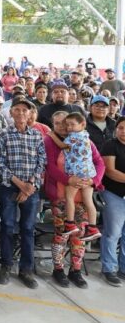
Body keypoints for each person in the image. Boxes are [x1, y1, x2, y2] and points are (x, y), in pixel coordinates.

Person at [44, 111, 105, 288]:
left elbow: (99, 162)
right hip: (62, 195)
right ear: (53, 125)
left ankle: (76, 270)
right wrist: (68, 180)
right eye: (58, 123)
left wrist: (94, 180)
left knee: (80, 235)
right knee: (62, 234)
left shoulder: (84, 139)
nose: (64, 127)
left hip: (82, 196)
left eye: (66, 123)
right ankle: (58, 269)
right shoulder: (50, 141)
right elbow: (50, 167)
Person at [0, 100, 47, 288]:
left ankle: (26, 269)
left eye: (25, 110)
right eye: (17, 109)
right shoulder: (3, 134)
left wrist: (30, 185)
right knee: (7, 226)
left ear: (30, 113)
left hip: (31, 188)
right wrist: (20, 184)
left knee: (28, 228)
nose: (21, 113)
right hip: (10, 186)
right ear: (11, 112)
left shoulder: (37, 135)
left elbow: (42, 162)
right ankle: (6, 265)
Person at [47, 113, 101, 241]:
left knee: (69, 197)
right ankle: (93, 228)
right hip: (88, 174)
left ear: (82, 124)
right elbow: (50, 166)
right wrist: (91, 180)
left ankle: (70, 224)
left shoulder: (73, 137)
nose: (68, 127)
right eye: (67, 124)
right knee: (89, 201)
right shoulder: (86, 135)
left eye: (71, 124)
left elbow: (62, 146)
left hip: (78, 174)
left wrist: (51, 135)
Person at [100, 117, 125, 286]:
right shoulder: (110, 145)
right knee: (112, 233)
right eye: (121, 127)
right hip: (114, 194)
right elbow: (110, 171)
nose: (124, 131)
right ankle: (109, 268)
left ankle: (123, 268)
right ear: (116, 129)